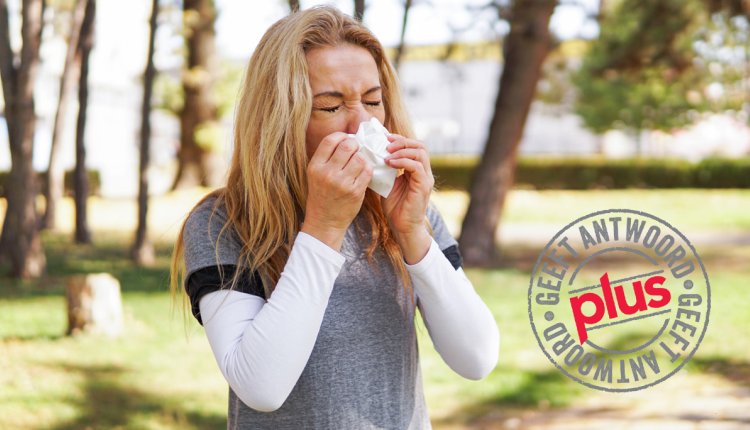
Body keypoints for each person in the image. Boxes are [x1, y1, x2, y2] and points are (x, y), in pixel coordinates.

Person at [170, 6, 499, 429]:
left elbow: (476, 358)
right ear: (279, 117)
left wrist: (414, 234)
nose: (362, 123)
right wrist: (323, 228)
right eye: (330, 106)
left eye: (373, 101)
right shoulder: (224, 222)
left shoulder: (406, 212)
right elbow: (262, 387)